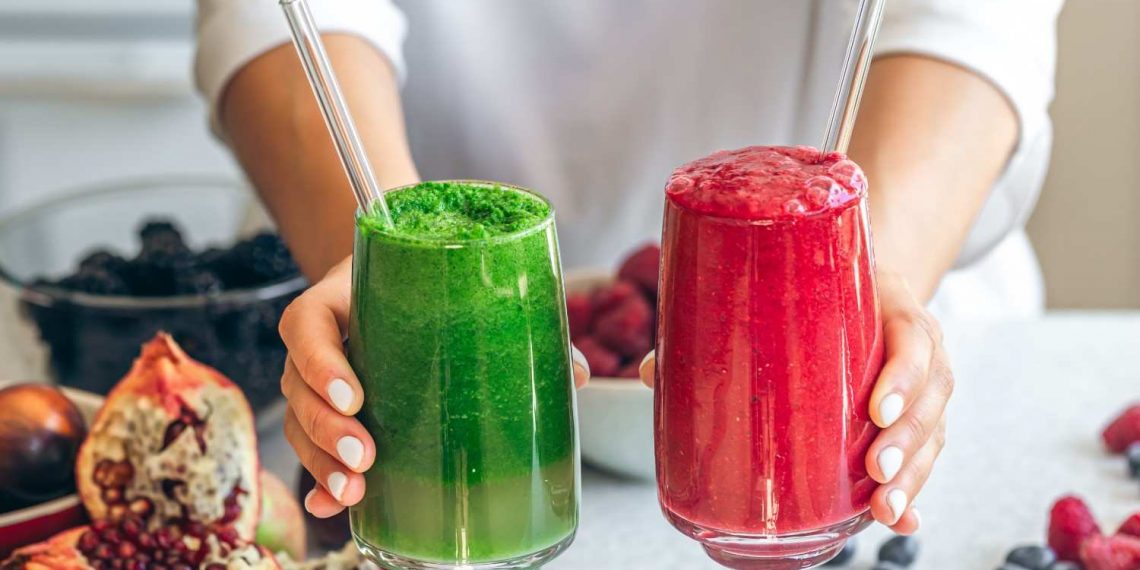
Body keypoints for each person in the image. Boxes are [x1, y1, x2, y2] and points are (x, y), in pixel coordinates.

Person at [193, 0, 1064, 537]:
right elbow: (283, 15)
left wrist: (863, 281)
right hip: (393, 240)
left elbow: (971, 21)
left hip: (879, 247)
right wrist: (386, 263)